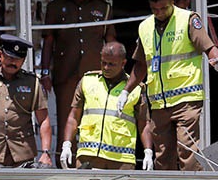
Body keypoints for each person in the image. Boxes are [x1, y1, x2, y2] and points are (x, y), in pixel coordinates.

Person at [118, 0, 218, 171]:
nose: (159, 13)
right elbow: (141, 65)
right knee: (163, 157)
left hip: (187, 99)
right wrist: (126, 91)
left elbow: (209, 47)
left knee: (187, 151)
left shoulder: (188, 19)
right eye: (154, 9)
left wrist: (216, 60)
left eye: (163, 8)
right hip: (159, 103)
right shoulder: (145, 27)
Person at [40, 0, 116, 162]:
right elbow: (48, 41)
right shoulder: (56, 7)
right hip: (66, 75)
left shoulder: (103, 8)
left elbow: (111, 43)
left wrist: (115, 74)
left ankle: (94, 164)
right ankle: (66, 167)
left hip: (96, 77)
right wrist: (44, 73)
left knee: (97, 120)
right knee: (67, 121)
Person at [59, 42, 153, 170]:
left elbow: (144, 124)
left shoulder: (136, 89)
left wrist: (148, 152)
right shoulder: (87, 81)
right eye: (103, 62)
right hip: (88, 157)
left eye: (111, 64)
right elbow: (73, 117)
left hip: (121, 161)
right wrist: (67, 144)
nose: (106, 67)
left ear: (123, 63)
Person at [0, 34, 52, 168]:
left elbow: (43, 119)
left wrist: (46, 152)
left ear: (23, 60)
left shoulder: (32, 82)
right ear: (0, 55)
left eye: (18, 59)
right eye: (9, 57)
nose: (13, 62)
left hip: (23, 155)